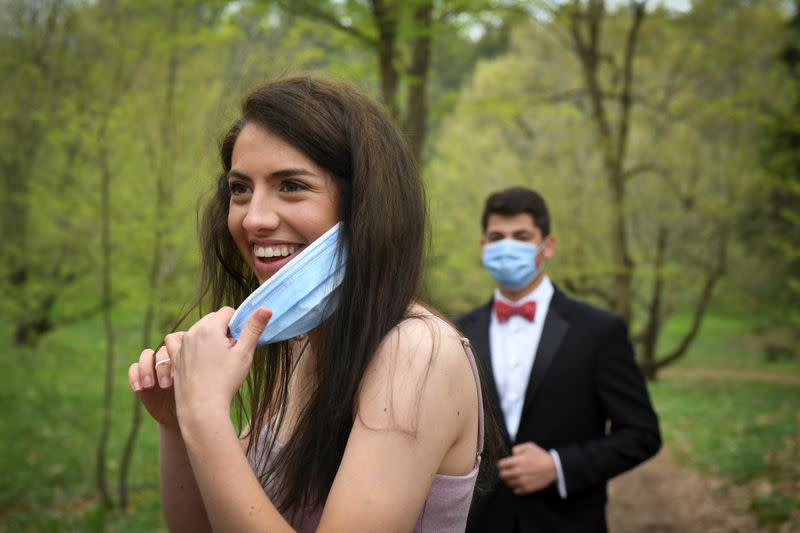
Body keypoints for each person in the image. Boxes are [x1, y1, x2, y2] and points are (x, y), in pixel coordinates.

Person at [127, 76, 489, 532]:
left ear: (365, 205)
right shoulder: (299, 344)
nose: (253, 218)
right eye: (240, 189)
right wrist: (179, 423)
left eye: (291, 185)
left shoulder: (416, 351)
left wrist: (205, 416)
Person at [455, 186, 661, 533]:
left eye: (521, 236)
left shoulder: (599, 330)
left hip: (568, 522)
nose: (508, 246)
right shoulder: (455, 333)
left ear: (546, 246)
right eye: (497, 237)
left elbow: (642, 434)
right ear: (483, 247)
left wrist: (559, 465)